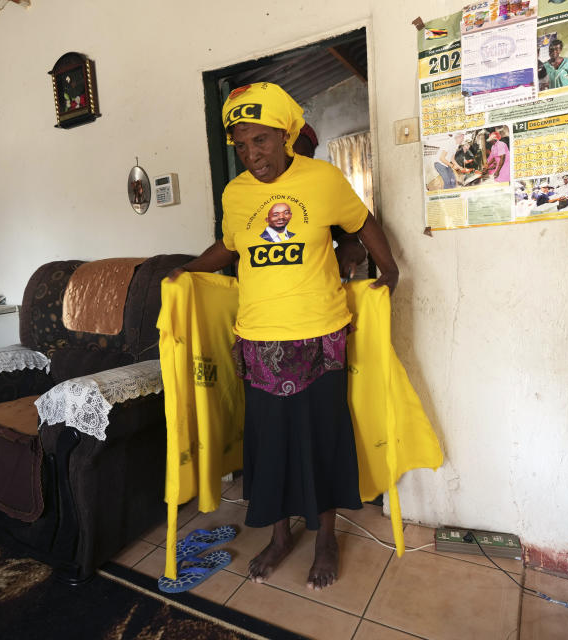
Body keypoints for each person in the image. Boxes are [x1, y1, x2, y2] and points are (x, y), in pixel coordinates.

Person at [168, 82, 400, 591]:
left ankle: (324, 539)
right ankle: (279, 537)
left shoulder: (322, 179)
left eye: (261, 141)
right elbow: (228, 248)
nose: (252, 155)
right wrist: (184, 272)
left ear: (286, 135)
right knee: (269, 446)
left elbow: (361, 223)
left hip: (320, 336)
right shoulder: (236, 195)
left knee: (322, 440)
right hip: (258, 342)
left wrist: (390, 268)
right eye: (242, 145)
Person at [293, 122, 367, 278]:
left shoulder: (322, 196)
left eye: (304, 161)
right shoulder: (251, 195)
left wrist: (347, 256)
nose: (296, 167)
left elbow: (353, 244)